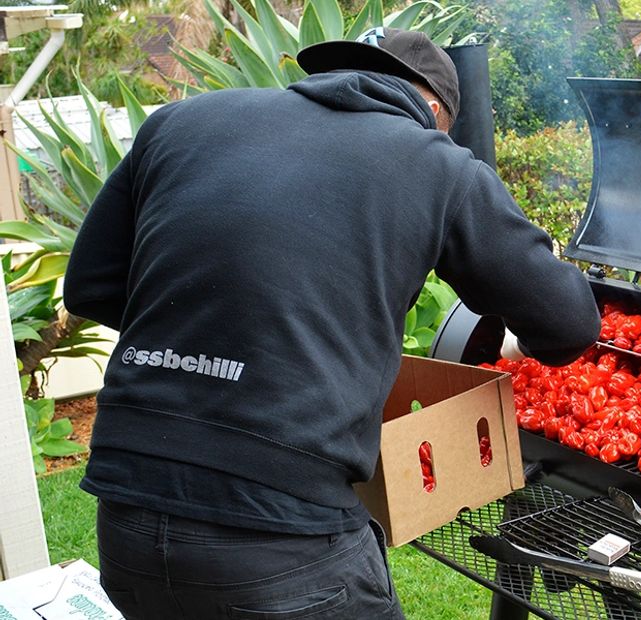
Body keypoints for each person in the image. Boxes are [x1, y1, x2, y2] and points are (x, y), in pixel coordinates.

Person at [63, 28, 601, 619]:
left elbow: (91, 287)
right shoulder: (433, 162)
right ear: (432, 109)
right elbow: (568, 324)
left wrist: (221, 346)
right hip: (280, 537)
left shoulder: (181, 121)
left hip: (126, 511)